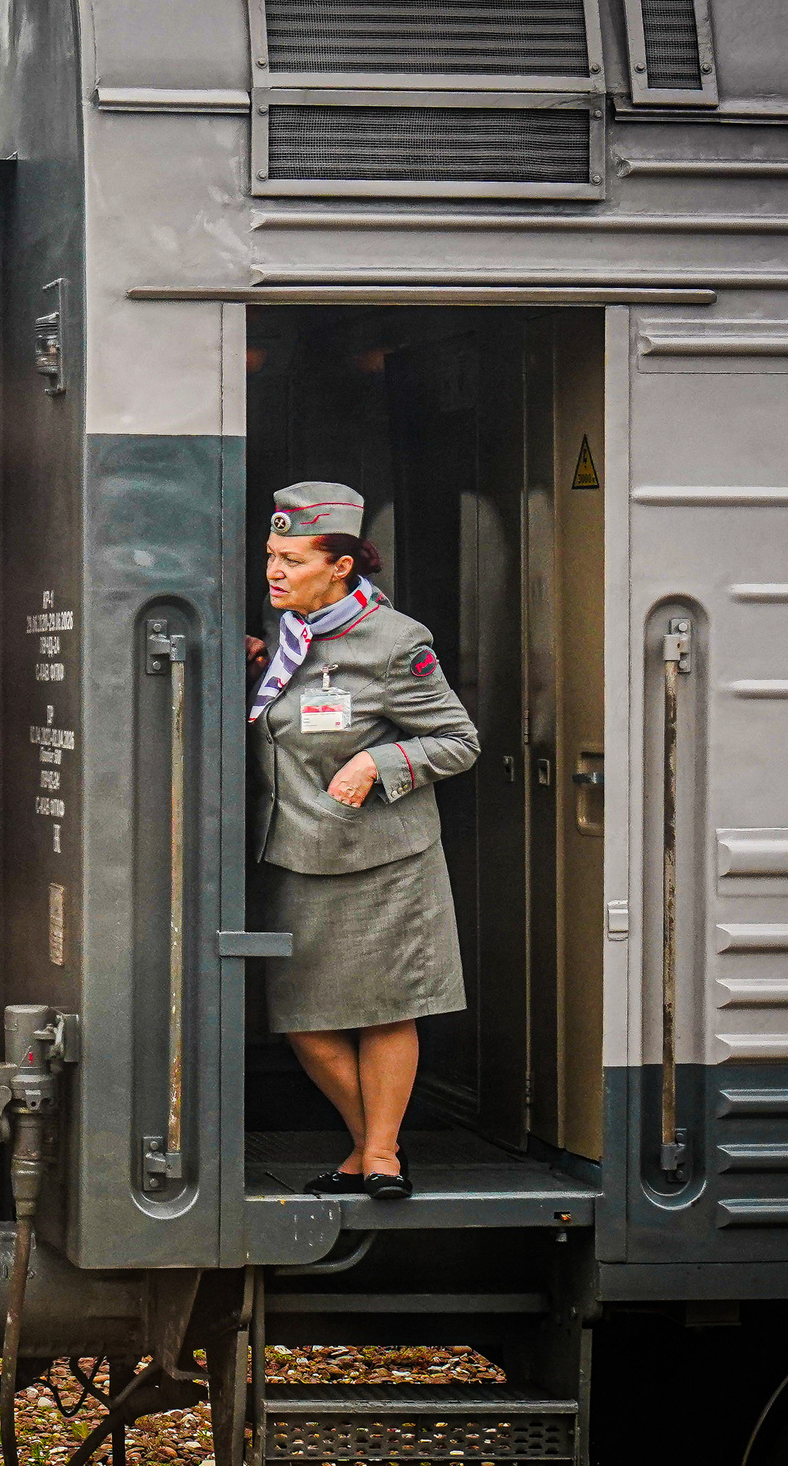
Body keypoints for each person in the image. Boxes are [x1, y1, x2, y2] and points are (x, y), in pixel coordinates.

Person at [247, 481, 478, 1200]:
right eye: (270, 556)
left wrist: (379, 761)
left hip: (382, 859)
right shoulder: (282, 625)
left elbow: (459, 740)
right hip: (295, 849)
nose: (274, 572)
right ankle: (374, 1142)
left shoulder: (396, 643)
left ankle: (378, 1156)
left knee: (385, 1008)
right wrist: (257, 667)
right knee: (304, 1021)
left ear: (341, 566)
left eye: (291, 559)